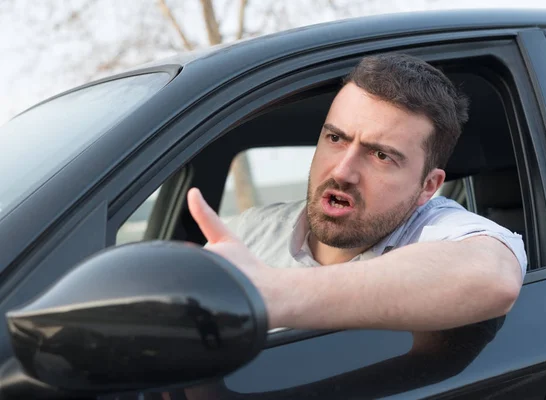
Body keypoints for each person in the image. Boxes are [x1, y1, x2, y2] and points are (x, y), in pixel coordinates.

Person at [186, 53, 527, 332]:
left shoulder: (438, 232)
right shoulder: (249, 232)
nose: (342, 172)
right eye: (335, 138)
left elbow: (493, 276)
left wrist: (268, 294)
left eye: (381, 155)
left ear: (428, 187)